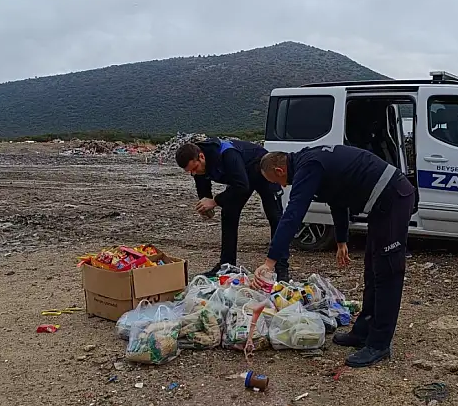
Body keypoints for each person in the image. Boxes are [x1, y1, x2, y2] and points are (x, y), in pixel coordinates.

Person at [252, 144, 415, 368]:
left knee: (387, 271)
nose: (281, 186)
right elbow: (337, 198)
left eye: (276, 181)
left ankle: (379, 344)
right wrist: (341, 240)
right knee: (372, 268)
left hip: (393, 196)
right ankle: (364, 331)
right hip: (381, 202)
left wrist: (270, 262)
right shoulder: (310, 162)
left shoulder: (308, 167)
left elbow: (293, 215)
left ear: (279, 171)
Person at [175, 138, 289, 281]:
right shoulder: (198, 167)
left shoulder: (228, 154)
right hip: (240, 178)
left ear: (201, 157)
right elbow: (203, 188)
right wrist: (206, 206)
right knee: (228, 213)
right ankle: (227, 265)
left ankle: (281, 267)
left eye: (194, 168)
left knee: (275, 217)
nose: (193, 173)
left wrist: (215, 201)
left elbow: (241, 186)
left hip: (260, 169)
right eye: (189, 171)